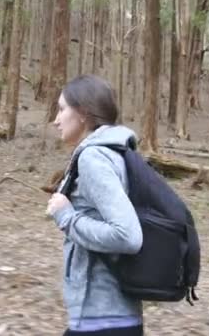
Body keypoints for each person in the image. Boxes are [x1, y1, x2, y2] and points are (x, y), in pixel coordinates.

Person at [46, 75, 144, 336]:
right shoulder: (115, 152)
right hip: (114, 315)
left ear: (82, 113)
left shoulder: (94, 158)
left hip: (102, 319)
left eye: (61, 109)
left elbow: (128, 236)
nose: (55, 120)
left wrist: (66, 216)